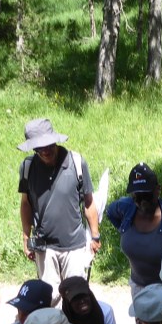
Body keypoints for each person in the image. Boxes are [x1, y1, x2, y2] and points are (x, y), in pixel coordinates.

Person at [17, 118, 101, 296]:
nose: (46, 151)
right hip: (44, 247)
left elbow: (89, 201)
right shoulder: (27, 167)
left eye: (49, 145)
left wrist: (95, 235)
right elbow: (26, 204)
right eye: (39, 148)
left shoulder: (76, 163)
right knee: (49, 298)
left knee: (76, 297)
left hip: (75, 246)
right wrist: (26, 237)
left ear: (55, 140)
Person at [105, 162, 162, 299]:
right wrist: (126, 232)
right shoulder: (125, 207)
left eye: (146, 196)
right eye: (136, 197)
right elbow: (110, 212)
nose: (141, 202)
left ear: (157, 190)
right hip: (138, 288)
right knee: (142, 321)